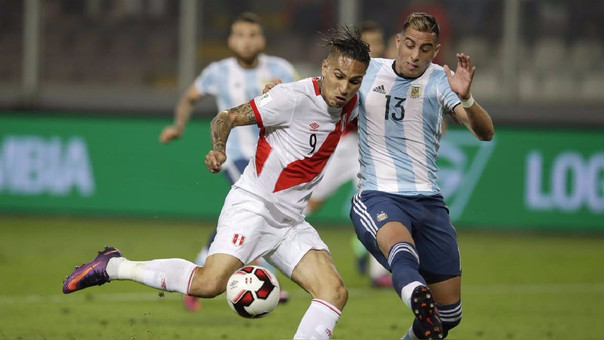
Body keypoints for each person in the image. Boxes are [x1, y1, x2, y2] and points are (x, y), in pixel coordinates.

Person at [63, 25, 371, 340]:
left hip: (289, 220)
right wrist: (219, 149)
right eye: (338, 75)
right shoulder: (290, 98)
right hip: (255, 206)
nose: (344, 87)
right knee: (208, 284)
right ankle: (113, 266)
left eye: (354, 81)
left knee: (333, 292)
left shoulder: (353, 102)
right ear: (324, 68)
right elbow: (225, 117)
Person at [350, 12, 494, 340]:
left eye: (425, 49)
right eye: (410, 45)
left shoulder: (441, 81)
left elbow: (484, 133)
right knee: (402, 251)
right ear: (399, 42)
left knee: (448, 318)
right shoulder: (369, 71)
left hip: (429, 201)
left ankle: (421, 304)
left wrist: (467, 98)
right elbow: (327, 92)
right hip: (378, 194)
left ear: (435, 51)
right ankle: (417, 294)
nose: (415, 55)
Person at [159, 12, 297, 311]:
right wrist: (178, 126)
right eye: (240, 35)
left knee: (252, 215)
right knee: (263, 209)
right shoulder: (217, 71)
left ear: (262, 39)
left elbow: (302, 103)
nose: (246, 41)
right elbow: (189, 98)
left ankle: (198, 271)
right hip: (236, 155)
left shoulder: (281, 69)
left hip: (272, 157)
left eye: (252, 35)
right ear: (231, 40)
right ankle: (268, 278)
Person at [304, 20, 392, 288]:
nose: (373, 47)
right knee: (311, 203)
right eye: (367, 43)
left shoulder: (392, 74)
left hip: (372, 150)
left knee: (378, 204)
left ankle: (379, 273)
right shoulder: (347, 73)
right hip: (342, 146)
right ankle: (271, 238)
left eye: (376, 42)